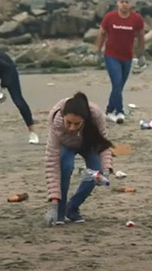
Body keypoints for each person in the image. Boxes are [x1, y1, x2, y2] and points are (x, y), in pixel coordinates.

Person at [43, 92, 114, 225]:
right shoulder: (56, 122)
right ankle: (60, 211)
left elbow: (103, 143)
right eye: (68, 122)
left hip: (88, 144)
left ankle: (73, 207)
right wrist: (53, 203)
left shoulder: (96, 116)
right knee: (65, 167)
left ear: (85, 120)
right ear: (63, 117)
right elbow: (51, 163)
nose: (72, 127)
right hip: (66, 146)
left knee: (95, 173)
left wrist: (106, 169)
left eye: (77, 124)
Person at [94, 0, 145, 124]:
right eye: (121, 2)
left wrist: (141, 55)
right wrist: (97, 51)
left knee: (119, 87)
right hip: (111, 56)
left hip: (127, 57)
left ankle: (109, 110)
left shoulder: (136, 19)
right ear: (117, 3)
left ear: (130, 3)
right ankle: (119, 111)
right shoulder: (110, 17)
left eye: (126, 2)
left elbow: (141, 36)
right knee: (116, 82)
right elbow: (102, 33)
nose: (124, 4)